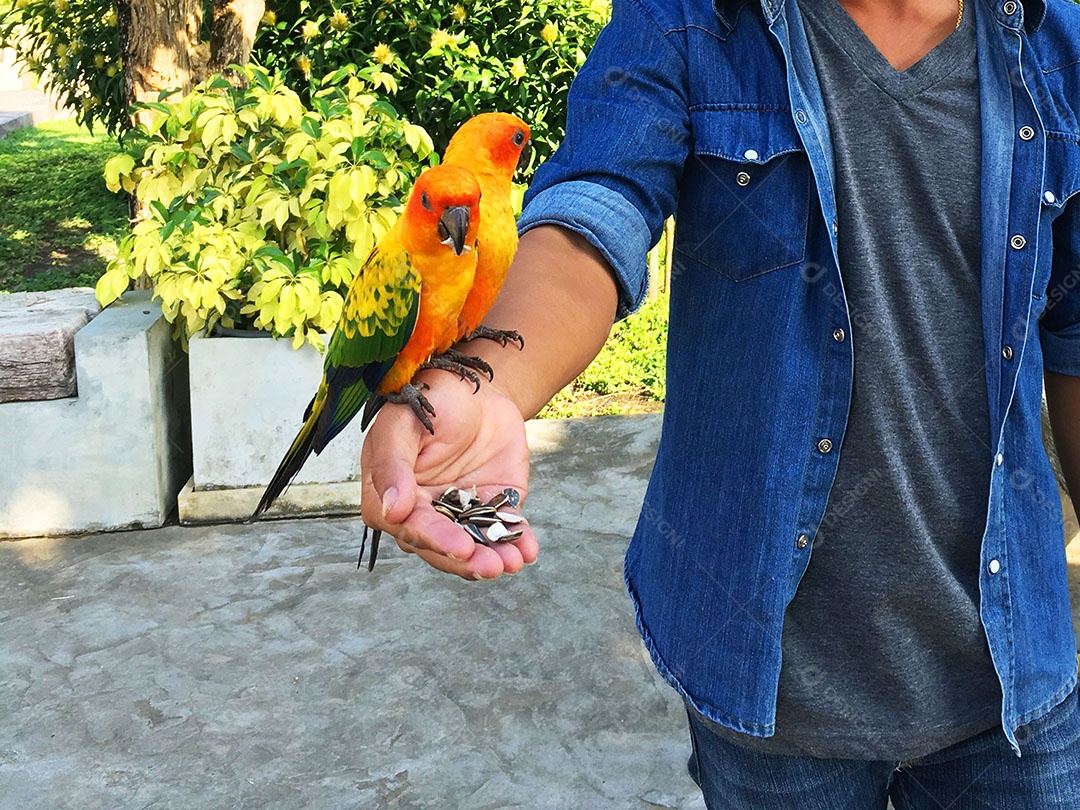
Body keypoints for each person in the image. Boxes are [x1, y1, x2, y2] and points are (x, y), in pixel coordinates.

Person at [360, 0, 1080, 805]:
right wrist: (491, 381)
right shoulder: (686, 22)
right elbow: (599, 203)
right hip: (764, 683)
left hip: (1014, 687)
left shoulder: (1061, 46)